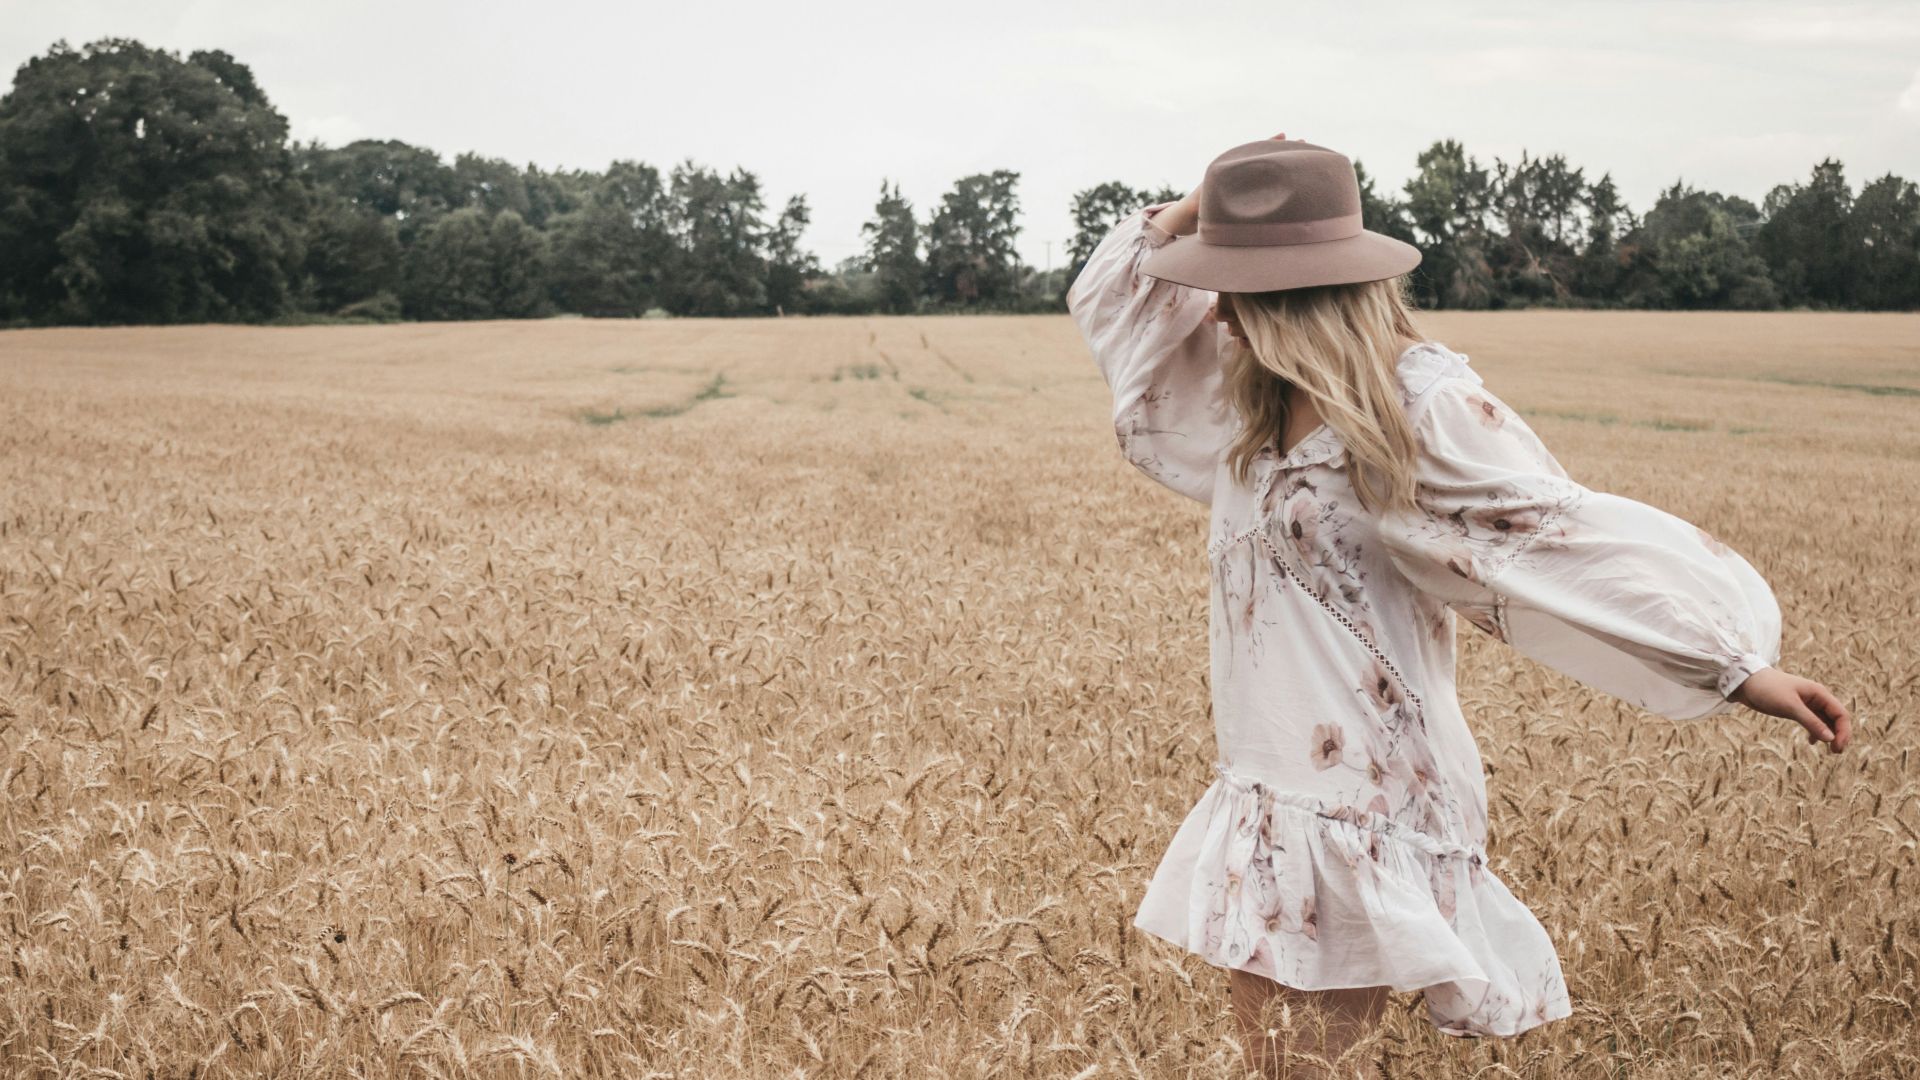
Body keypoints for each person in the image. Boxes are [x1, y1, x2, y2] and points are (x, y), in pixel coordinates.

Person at [1065, 134, 1853, 1078]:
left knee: (1292, 1069)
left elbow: (1556, 533)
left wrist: (1734, 664)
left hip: (1363, 787)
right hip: (1269, 773)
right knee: (1279, 1066)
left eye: (1235, 281)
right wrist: (1206, 203)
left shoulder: (1415, 403)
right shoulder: (1253, 399)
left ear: (1296, 294)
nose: (1218, 309)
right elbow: (1115, 298)